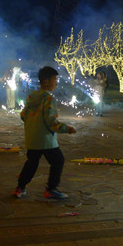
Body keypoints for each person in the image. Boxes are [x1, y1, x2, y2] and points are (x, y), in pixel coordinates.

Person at [13, 66, 76, 200]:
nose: (56, 83)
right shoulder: (48, 99)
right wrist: (66, 129)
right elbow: (51, 122)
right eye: (55, 80)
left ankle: (20, 187)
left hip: (32, 138)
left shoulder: (32, 97)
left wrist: (33, 125)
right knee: (58, 160)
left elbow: (23, 115)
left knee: (32, 163)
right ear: (46, 81)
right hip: (46, 140)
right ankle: (51, 189)